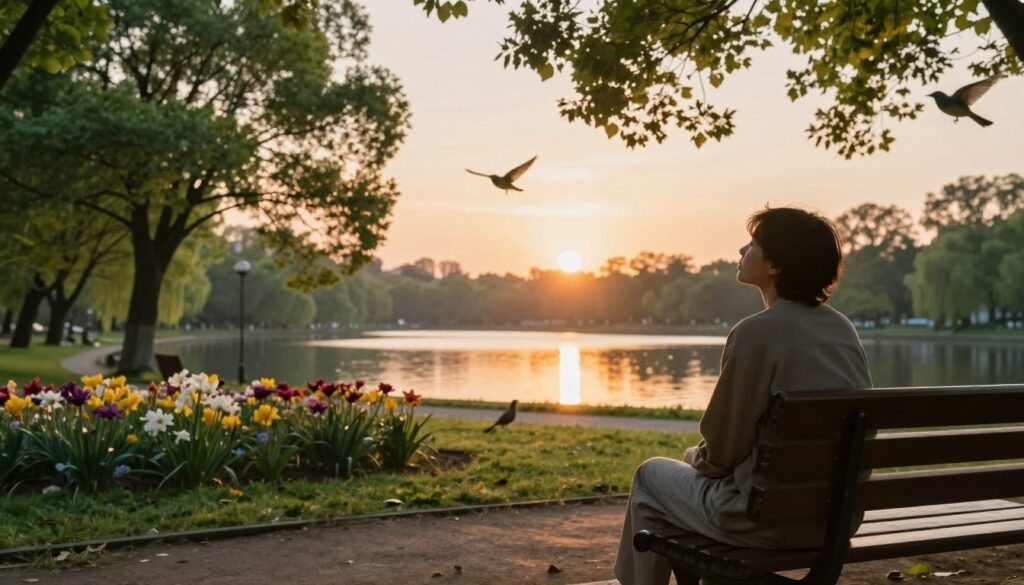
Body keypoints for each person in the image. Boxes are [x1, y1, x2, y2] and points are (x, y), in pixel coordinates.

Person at [614, 206, 872, 585]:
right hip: (834, 520)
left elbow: (722, 451)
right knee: (687, 476)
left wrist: (698, 461)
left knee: (651, 477)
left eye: (752, 243)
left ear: (775, 266)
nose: (740, 250)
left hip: (763, 521)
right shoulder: (842, 329)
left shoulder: (756, 334)